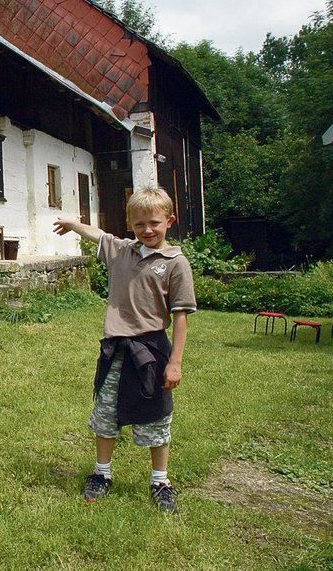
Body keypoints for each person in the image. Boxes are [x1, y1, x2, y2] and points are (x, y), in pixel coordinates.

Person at [53, 187, 196, 514]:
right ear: (130, 225)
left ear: (169, 222)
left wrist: (175, 363)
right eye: (139, 224)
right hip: (115, 349)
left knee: (156, 416)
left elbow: (181, 317)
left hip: (151, 350)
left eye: (154, 223)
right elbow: (98, 234)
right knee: (106, 413)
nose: (147, 230)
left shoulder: (176, 264)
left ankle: (160, 481)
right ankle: (102, 475)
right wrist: (74, 224)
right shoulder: (121, 252)